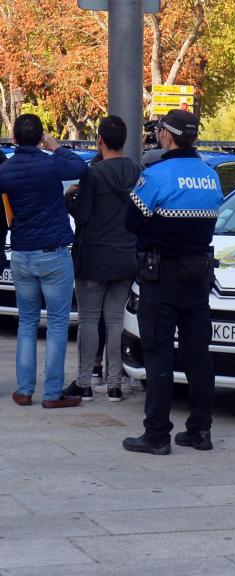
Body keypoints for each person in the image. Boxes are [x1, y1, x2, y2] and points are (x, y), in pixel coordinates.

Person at [122, 109, 222, 455]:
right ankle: (200, 430)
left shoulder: (157, 175)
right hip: (198, 275)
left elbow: (131, 221)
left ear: (167, 134)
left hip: (160, 275)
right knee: (198, 355)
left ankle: (157, 434)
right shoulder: (211, 177)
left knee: (159, 352)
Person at [0, 114, 88, 408]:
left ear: (14, 139)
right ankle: (52, 394)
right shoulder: (51, 164)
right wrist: (55, 145)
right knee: (58, 323)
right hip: (52, 253)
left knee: (26, 322)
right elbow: (79, 167)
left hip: (22, 253)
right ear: (40, 138)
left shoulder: (6, 170)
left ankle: (24, 390)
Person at [63, 116, 142, 403]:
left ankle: (84, 382)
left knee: (88, 319)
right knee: (115, 322)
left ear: (99, 141)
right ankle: (114, 385)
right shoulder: (136, 170)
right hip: (125, 257)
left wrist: (69, 199)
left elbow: (83, 216)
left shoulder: (93, 174)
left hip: (94, 257)